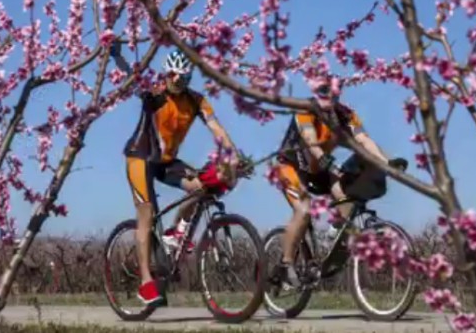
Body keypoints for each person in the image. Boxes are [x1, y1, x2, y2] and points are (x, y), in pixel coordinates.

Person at [110, 43, 241, 306]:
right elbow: (130, 75)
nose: (177, 81)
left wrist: (233, 153)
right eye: (173, 76)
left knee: (202, 186)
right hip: (140, 157)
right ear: (166, 73)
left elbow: (216, 126)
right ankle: (146, 282)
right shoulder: (154, 91)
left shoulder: (195, 100)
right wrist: (116, 54)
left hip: (167, 162)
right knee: (146, 212)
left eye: (184, 77)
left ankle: (175, 232)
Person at [273, 78, 407, 289]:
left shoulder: (346, 114)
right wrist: (322, 157)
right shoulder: (305, 109)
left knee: (345, 197)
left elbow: (364, 140)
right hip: (291, 167)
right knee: (304, 210)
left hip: (320, 170)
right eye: (323, 90)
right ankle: (286, 264)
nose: (329, 94)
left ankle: (334, 233)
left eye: (333, 90)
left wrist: (386, 163)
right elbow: (310, 139)